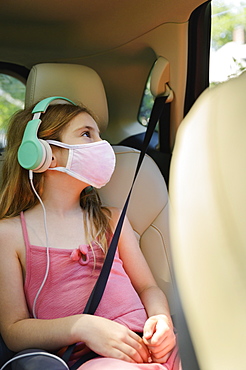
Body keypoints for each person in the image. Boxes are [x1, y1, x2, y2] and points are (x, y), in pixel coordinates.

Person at [0, 99, 181, 369]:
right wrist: (81, 327)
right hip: (95, 360)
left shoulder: (111, 220)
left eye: (100, 136)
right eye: (87, 134)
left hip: (153, 347)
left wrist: (161, 318)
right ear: (42, 152)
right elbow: (14, 331)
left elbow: (148, 287)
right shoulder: (10, 234)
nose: (102, 146)